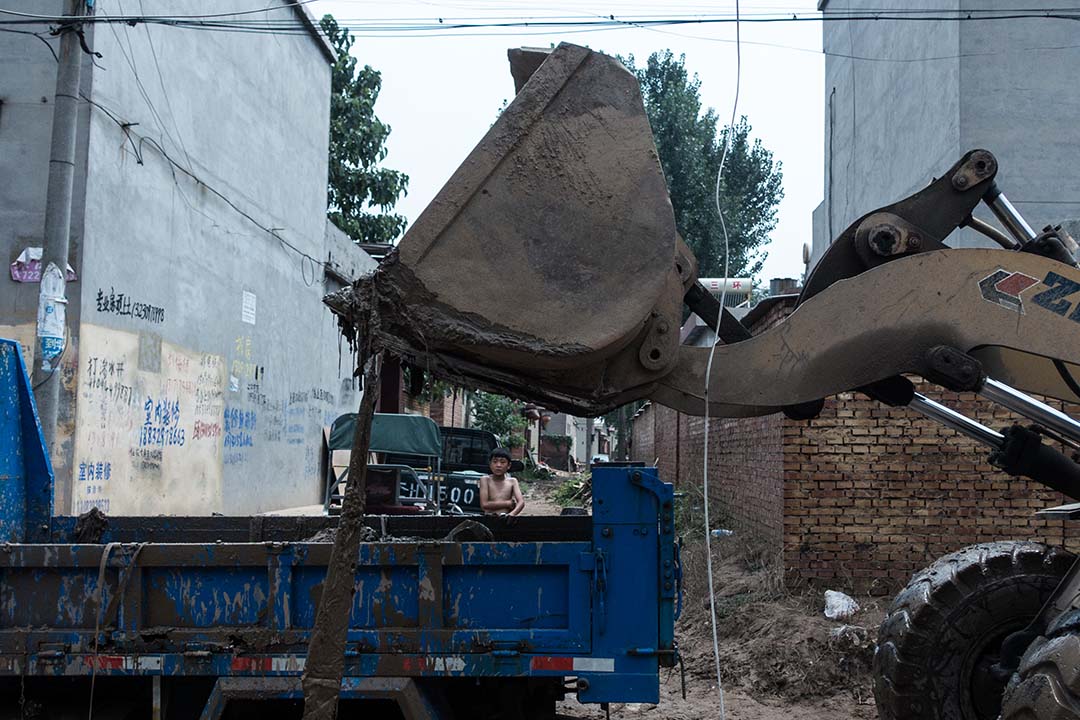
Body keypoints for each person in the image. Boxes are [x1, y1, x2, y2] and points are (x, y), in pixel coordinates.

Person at [479, 447, 524, 516]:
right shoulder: (485, 480)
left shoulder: (512, 481)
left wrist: (511, 514)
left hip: (506, 520)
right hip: (489, 519)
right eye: (495, 462)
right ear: (490, 464)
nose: (498, 465)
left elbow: (521, 502)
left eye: (502, 462)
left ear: (509, 465)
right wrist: (507, 503)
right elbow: (484, 505)